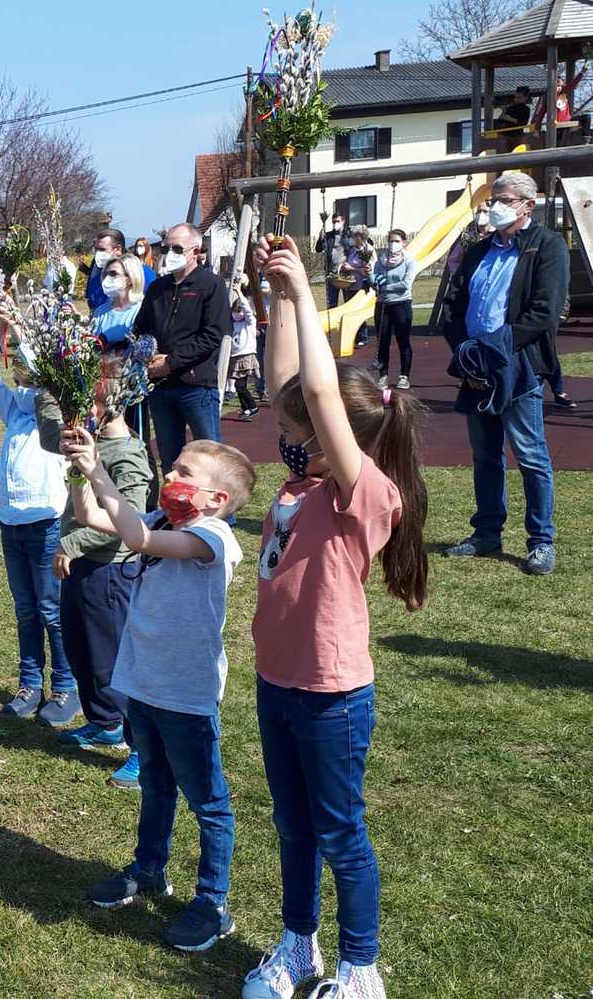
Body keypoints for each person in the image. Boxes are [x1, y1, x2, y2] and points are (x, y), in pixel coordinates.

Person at [242, 233, 428, 999]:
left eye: (295, 437)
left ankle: (359, 969)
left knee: (338, 832)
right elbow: (290, 389)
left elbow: (318, 397)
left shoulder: (366, 492)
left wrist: (307, 293)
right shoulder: (306, 481)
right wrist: (278, 299)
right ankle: (298, 948)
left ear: (334, 439)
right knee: (291, 826)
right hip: (276, 682)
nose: (283, 442)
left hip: (330, 695)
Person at [62, 426, 255, 952]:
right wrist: (77, 472)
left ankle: (213, 903)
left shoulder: (214, 537)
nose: (170, 475)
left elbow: (137, 542)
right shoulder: (159, 519)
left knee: (209, 802)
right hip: (144, 684)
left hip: (185, 695)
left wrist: (98, 468)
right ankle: (149, 870)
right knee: (155, 784)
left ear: (216, 499)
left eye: (183, 472)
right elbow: (90, 516)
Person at [442, 172, 568, 575]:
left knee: (530, 456)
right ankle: (486, 532)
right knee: (485, 456)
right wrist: (466, 353)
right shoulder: (479, 250)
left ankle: (541, 541)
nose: (495, 206)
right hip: (475, 368)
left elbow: (544, 312)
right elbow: (453, 304)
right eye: (492, 199)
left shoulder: (547, 246)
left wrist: (492, 351)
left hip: (518, 366)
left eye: (505, 199)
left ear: (528, 205)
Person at [0, 306, 80, 726]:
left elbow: (47, 378)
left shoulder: (55, 413)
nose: (20, 379)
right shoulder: (14, 411)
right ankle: (30, 684)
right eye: (17, 373)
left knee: (52, 610)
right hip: (11, 523)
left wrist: (20, 330)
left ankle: (66, 687)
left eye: (25, 373)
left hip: (47, 522)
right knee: (25, 610)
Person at [55, 355, 153, 790]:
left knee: (113, 663)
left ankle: (143, 750)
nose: (85, 409)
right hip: (81, 569)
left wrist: (72, 543)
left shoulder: (128, 454)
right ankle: (104, 722)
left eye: (91, 401)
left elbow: (129, 520)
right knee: (81, 651)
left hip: (109, 573)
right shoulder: (92, 443)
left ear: (116, 400)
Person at [132, 223, 230, 473]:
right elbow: (140, 328)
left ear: (196, 251)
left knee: (210, 458)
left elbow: (212, 335)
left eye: (177, 249)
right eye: (166, 248)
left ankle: (217, 501)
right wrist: (146, 356)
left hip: (196, 386)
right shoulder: (157, 288)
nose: (169, 254)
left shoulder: (212, 285)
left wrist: (171, 362)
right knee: (170, 460)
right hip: (160, 387)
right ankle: (173, 500)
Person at [373, 229, 418, 391]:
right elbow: (375, 281)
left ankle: (404, 375)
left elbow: (405, 284)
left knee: (403, 341)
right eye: (391, 241)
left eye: (397, 241)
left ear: (404, 242)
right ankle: (383, 375)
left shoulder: (409, 262)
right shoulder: (380, 261)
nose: (393, 244)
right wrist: (372, 280)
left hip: (401, 304)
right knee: (382, 341)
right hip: (383, 305)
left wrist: (386, 287)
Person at [85, 228, 155, 312]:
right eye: (96, 249)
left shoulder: (143, 272)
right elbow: (93, 301)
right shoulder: (97, 273)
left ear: (118, 249)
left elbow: (153, 301)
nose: (97, 254)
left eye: (102, 249)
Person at [93, 255, 145, 348]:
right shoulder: (100, 311)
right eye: (105, 274)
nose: (107, 278)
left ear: (130, 279)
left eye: (113, 274)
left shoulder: (142, 312)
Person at [339, 225, 374, 348]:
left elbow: (368, 271)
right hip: (351, 285)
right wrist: (345, 267)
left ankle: (363, 338)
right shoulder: (353, 250)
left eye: (354, 236)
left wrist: (352, 268)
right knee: (351, 312)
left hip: (361, 286)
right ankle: (355, 336)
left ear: (360, 237)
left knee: (359, 312)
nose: (352, 238)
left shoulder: (368, 250)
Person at [229, 288, 260, 421]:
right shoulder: (233, 325)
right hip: (235, 357)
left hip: (246, 357)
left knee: (239, 386)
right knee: (239, 386)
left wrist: (239, 293)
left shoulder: (249, 323)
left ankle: (253, 407)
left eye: (239, 311)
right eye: (235, 311)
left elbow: (247, 310)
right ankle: (246, 409)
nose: (237, 314)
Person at [533, 65, 588, 131]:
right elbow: (541, 114)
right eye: (555, 85)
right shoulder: (548, 99)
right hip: (557, 125)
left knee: (587, 118)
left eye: (559, 83)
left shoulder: (563, 92)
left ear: (563, 84)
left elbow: (572, 85)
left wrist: (581, 73)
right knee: (560, 131)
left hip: (568, 122)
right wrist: (537, 129)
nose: (557, 86)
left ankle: (586, 135)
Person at [447, 202, 493, 276]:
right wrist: (461, 276)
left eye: (485, 211)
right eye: (479, 211)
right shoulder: (468, 237)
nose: (481, 214)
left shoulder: (497, 236)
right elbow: (453, 260)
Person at [317, 213, 349, 309]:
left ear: (343, 221)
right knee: (332, 303)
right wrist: (320, 239)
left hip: (345, 274)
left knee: (348, 301)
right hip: (331, 274)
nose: (335, 224)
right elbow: (318, 249)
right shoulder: (329, 236)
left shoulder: (348, 235)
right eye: (333, 222)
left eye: (338, 221)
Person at [256, 277, 271, 401]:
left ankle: (268, 388)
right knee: (259, 358)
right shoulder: (256, 297)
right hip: (259, 325)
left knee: (269, 358)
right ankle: (261, 389)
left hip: (271, 325)